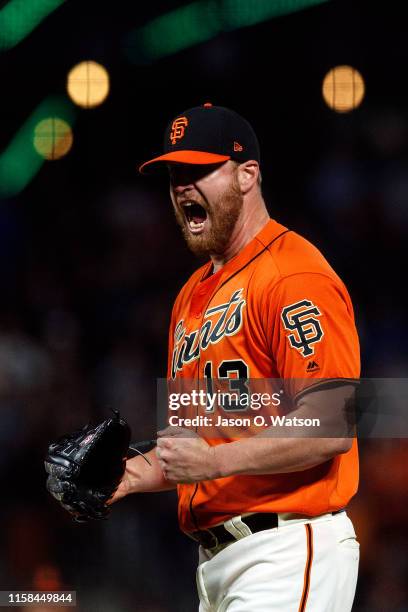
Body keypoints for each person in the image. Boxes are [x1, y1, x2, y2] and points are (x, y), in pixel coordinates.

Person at [111, 103, 360, 611]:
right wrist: (129, 475)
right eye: (176, 174)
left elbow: (332, 422)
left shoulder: (293, 274)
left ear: (248, 175)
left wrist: (215, 460)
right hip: (216, 564)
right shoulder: (190, 296)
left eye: (200, 169)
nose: (183, 186)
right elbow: (199, 439)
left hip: (287, 547)